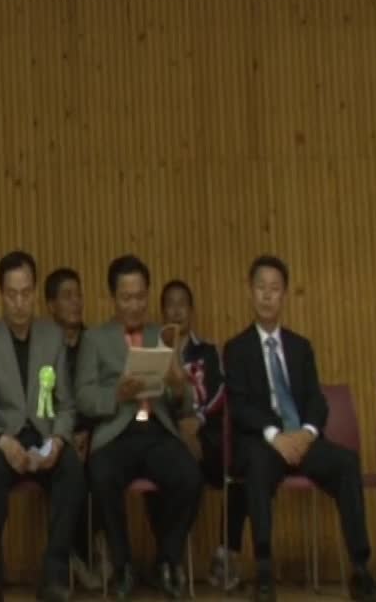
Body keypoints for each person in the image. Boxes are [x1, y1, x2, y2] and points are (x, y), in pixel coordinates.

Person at [223, 257, 376, 602]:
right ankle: (264, 571)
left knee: (346, 462)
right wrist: (275, 436)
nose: (267, 296)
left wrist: (307, 433)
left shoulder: (300, 347)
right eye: (261, 288)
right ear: (250, 293)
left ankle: (360, 570)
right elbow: (239, 406)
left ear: (284, 296)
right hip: (264, 443)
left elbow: (316, 400)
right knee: (255, 466)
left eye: (275, 289)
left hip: (302, 439)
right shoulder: (236, 349)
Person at [76, 256, 200, 601]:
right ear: (112, 298)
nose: (134, 305)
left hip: (156, 429)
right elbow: (84, 396)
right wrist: (116, 394)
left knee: (190, 478)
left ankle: (166, 559)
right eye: (126, 298)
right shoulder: (95, 339)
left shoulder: (160, 334)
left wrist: (177, 385)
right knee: (101, 477)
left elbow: (183, 401)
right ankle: (123, 565)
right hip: (116, 432)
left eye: (141, 297)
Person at [0, 252, 86, 602]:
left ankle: (53, 573)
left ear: (35, 293)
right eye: (11, 293)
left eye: (26, 292)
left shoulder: (53, 338)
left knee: (74, 475)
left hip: (46, 435)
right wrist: (2, 441)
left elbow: (67, 404)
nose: (20, 302)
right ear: (0, 294)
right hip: (6, 438)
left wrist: (59, 441)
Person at [157, 279, 244, 590]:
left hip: (204, 432)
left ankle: (225, 552)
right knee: (182, 471)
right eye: (171, 303)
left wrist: (199, 418)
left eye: (183, 303)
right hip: (166, 436)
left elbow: (222, 390)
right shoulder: (155, 351)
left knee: (241, 466)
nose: (177, 310)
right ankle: (171, 559)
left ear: (191, 310)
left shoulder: (207, 351)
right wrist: (179, 428)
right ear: (162, 311)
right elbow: (148, 400)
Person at [43, 268, 102, 588]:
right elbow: (41, 403)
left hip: (93, 435)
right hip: (56, 434)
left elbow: (102, 395)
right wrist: (64, 437)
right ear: (51, 305)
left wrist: (89, 434)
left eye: (78, 294)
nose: (76, 302)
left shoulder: (94, 343)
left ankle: (93, 550)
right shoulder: (43, 348)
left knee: (104, 465)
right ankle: (73, 553)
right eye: (67, 296)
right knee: (68, 469)